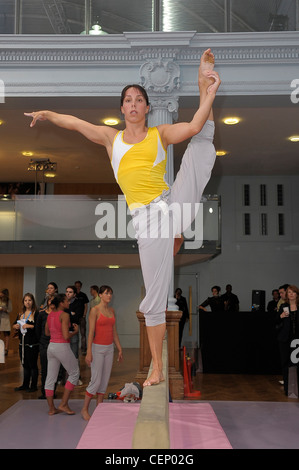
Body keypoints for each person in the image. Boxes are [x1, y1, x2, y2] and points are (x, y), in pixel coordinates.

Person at [25, 48, 221, 386]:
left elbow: (193, 125)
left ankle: (204, 82)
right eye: (128, 100)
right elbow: (74, 125)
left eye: (138, 99)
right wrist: (48, 113)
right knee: (156, 295)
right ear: (122, 108)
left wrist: (209, 94)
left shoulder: (159, 135)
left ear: (146, 107)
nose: (133, 104)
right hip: (148, 222)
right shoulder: (110, 138)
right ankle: (157, 367)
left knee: (200, 148)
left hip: (170, 202)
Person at [81, 285, 123, 421]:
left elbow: (114, 331)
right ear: (100, 295)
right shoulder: (94, 310)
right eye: (106, 293)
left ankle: (99, 407)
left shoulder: (111, 310)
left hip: (109, 348)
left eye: (111, 293)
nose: (109, 295)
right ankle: (84, 409)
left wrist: (119, 348)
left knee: (104, 381)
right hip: (97, 348)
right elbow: (91, 332)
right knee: (96, 380)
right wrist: (88, 352)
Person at [44, 293, 80, 415]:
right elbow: (65, 336)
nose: (68, 302)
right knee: (74, 373)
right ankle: (64, 404)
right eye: (66, 301)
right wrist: (75, 332)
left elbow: (47, 333)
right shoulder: (64, 315)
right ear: (61, 303)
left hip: (51, 347)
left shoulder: (50, 315)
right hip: (62, 346)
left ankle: (51, 409)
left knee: (50, 378)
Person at [13, 293, 39, 392]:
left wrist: (29, 326)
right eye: (25, 300)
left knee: (32, 365)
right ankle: (25, 384)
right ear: (23, 302)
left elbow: (38, 326)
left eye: (29, 300)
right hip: (22, 343)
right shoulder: (21, 314)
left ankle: (33, 386)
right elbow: (15, 324)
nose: (27, 302)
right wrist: (15, 326)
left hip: (32, 343)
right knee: (25, 364)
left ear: (33, 301)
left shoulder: (36, 313)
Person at [276, 285, 299, 396]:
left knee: (296, 364)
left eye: (293, 292)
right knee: (285, 363)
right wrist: (280, 316)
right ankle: (287, 389)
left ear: (297, 294)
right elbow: (275, 322)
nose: (291, 294)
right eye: (289, 292)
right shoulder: (284, 306)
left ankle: (296, 389)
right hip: (285, 339)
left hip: (297, 340)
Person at [36, 296, 55, 399]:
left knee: (54, 369)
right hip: (44, 343)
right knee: (45, 369)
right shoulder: (42, 314)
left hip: (56, 343)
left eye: (54, 301)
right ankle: (44, 392)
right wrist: (41, 341)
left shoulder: (59, 315)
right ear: (47, 302)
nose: (51, 302)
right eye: (50, 300)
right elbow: (38, 329)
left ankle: (53, 391)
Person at [74, 281, 89, 355]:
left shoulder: (83, 295)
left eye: (78, 286)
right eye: (76, 286)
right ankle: (74, 349)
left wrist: (84, 315)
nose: (77, 287)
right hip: (74, 318)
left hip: (82, 317)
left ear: (81, 286)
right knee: (74, 334)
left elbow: (86, 306)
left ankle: (83, 349)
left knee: (83, 334)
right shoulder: (73, 295)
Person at [0, 288, 12, 356]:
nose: (0, 294)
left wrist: (4, 309)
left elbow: (10, 310)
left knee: (6, 334)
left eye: (2, 293)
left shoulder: (8, 301)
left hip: (5, 319)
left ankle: (6, 349)